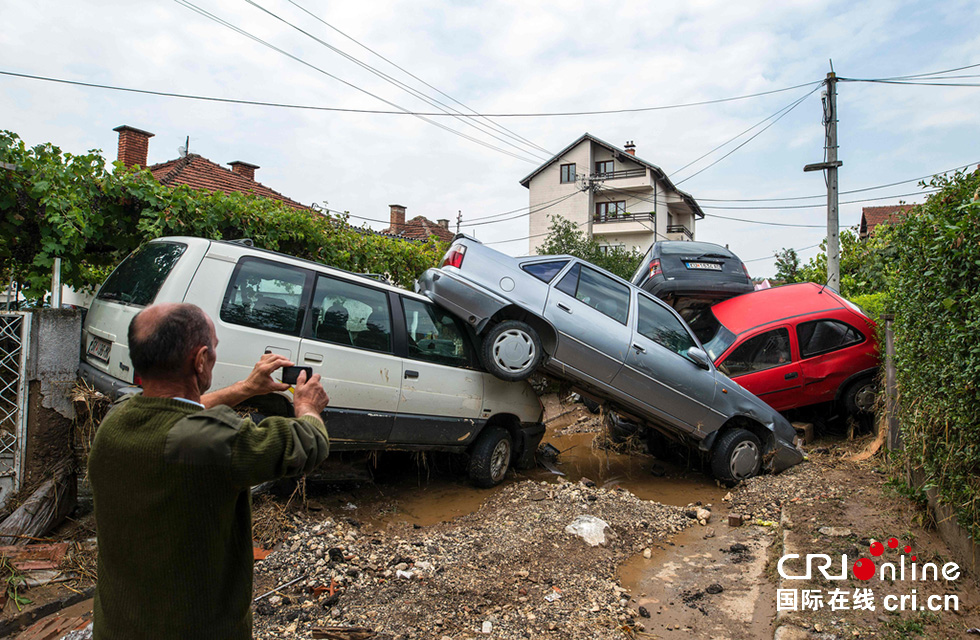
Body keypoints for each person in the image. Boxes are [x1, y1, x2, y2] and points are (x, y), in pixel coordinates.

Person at [88, 303, 330, 640]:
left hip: (117, 626)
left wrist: (245, 389)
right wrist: (307, 407)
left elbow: (176, 406)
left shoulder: (117, 418)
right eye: (214, 348)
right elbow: (308, 444)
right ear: (200, 360)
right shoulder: (208, 438)